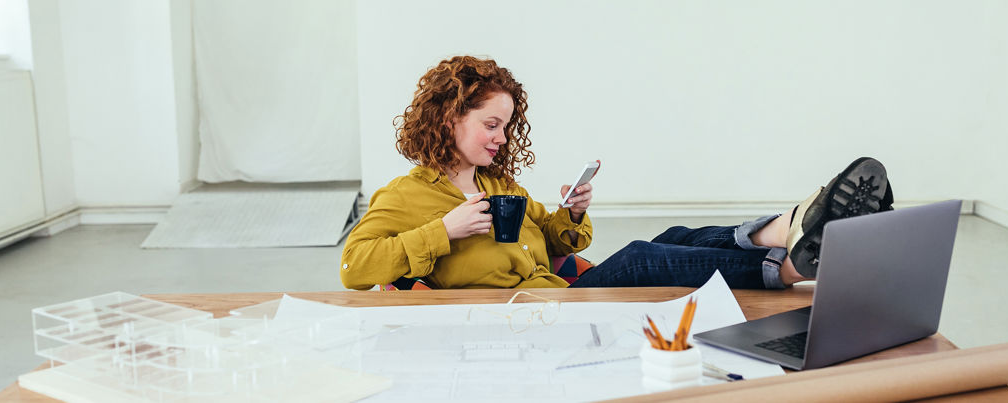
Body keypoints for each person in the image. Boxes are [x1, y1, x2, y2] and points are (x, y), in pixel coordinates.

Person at [339, 56, 893, 291]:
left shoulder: (496, 187)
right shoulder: (406, 195)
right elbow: (352, 266)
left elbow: (554, 240)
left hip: (554, 289)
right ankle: (793, 261)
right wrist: (444, 231)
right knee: (637, 259)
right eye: (491, 124)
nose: (501, 139)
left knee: (670, 239)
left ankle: (789, 227)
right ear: (449, 117)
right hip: (533, 316)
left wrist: (572, 213)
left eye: (507, 126)